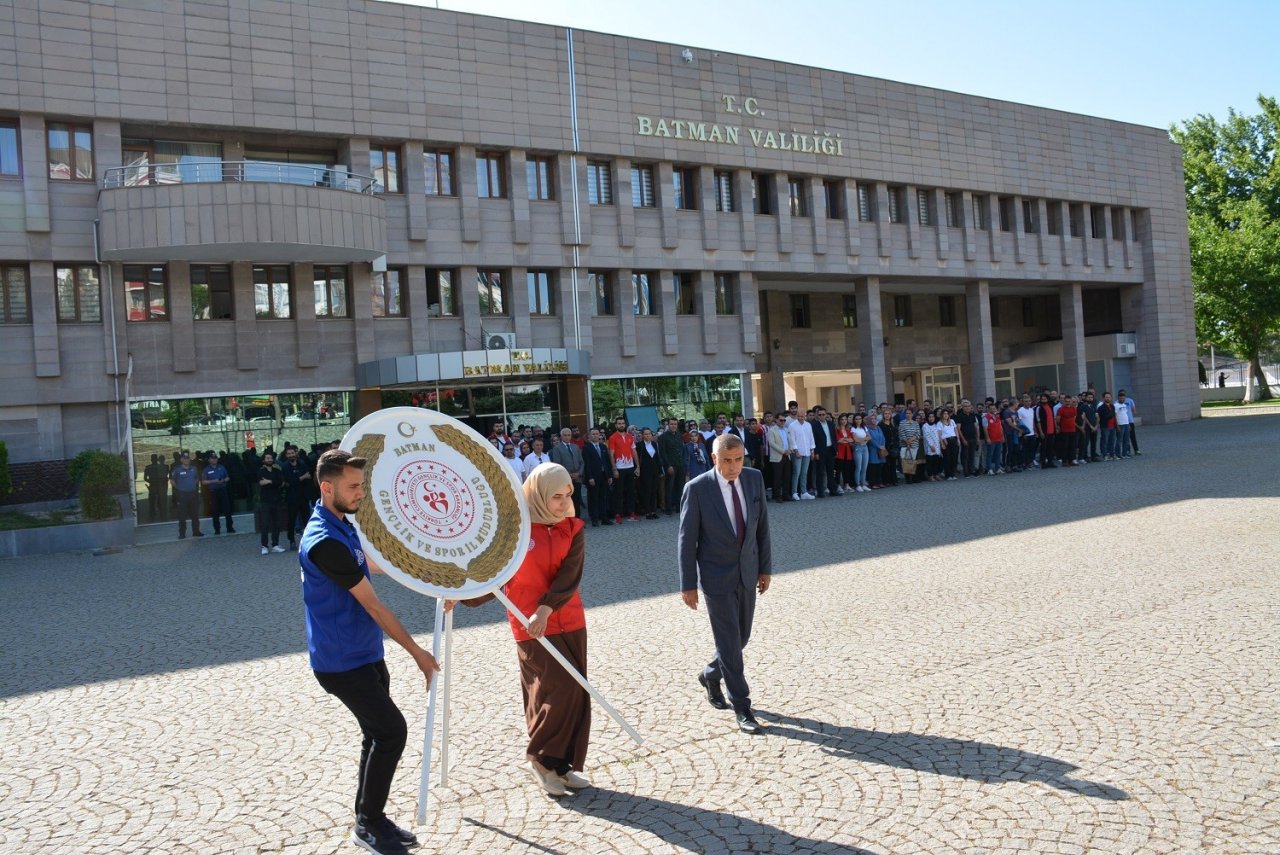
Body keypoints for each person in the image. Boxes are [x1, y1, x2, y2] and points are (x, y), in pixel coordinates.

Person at [300, 449, 439, 855]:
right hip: (341, 662)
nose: (361, 493)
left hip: (364, 653)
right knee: (392, 731)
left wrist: (432, 577)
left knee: (375, 734)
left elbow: (373, 564)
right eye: (353, 486)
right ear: (327, 488)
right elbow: (374, 605)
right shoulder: (324, 541)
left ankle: (369, 817)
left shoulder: (341, 522)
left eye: (362, 485)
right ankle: (369, 822)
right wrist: (418, 653)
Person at [449, 462, 591, 797]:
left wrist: (548, 607)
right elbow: (495, 574)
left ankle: (561, 764)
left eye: (567, 493)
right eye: (555, 496)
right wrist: (462, 594)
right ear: (538, 494)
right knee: (554, 689)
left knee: (576, 691)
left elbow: (569, 575)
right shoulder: (515, 530)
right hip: (529, 622)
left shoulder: (573, 527)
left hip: (567, 617)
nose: (563, 502)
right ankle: (540, 759)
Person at [679, 434, 772, 735]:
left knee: (741, 638)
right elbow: (686, 541)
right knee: (730, 643)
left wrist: (765, 569)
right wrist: (688, 584)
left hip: (748, 572)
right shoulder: (697, 489)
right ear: (714, 457)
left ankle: (709, 674)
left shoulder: (754, 479)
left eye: (739, 460)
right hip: (716, 578)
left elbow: (762, 527)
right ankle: (742, 706)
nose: (733, 467)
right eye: (727, 461)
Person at [607, 416, 638, 523]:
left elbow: (634, 451)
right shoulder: (612, 437)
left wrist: (637, 466)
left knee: (631, 492)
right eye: (619, 423)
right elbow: (611, 454)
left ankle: (632, 513)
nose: (621, 425)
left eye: (623, 423)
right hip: (619, 468)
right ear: (616, 425)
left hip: (630, 467)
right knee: (618, 493)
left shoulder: (630, 436)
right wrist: (614, 469)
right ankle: (617, 514)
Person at [549, 427, 584, 518]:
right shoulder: (557, 448)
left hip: (577, 478)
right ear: (561, 436)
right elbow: (557, 465)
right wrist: (567, 475)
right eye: (565, 435)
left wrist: (579, 473)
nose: (567, 437)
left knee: (577, 500)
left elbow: (581, 462)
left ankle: (578, 521)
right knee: (567, 501)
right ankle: (569, 521)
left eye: (569, 435)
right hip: (565, 480)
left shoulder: (575, 447)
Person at [257, 451, 287, 554]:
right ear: (264, 460)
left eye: (270, 458)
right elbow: (261, 482)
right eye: (267, 458)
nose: (269, 460)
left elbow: (281, 483)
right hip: (266, 501)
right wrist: (274, 482)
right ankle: (264, 546)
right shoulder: (261, 471)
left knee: (277, 523)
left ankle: (275, 545)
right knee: (265, 524)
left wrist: (269, 481)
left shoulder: (277, 470)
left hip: (277, 500)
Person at [581, 428, 612, 527]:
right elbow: (587, 464)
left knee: (603, 497)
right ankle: (594, 519)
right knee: (593, 498)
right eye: (593, 434)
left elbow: (607, 462)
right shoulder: (587, 448)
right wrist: (590, 477)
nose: (595, 436)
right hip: (593, 477)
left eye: (597, 434)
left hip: (603, 476)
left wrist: (609, 475)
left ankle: (604, 518)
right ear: (589, 436)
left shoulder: (603, 447)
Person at [658, 418, 686, 517]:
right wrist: (668, 465)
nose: (673, 426)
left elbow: (681, 450)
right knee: (669, 487)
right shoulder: (663, 437)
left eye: (675, 424)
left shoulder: (679, 435)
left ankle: (679, 506)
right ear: (668, 425)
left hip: (680, 464)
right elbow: (663, 453)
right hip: (670, 465)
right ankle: (668, 508)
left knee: (680, 486)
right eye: (671, 424)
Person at [201, 452, 235, 534]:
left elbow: (227, 477)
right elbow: (203, 482)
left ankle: (230, 528)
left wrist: (223, 480)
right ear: (209, 460)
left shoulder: (221, 467)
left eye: (215, 458)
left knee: (227, 509)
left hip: (223, 490)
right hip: (213, 492)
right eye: (212, 458)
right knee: (215, 511)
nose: (215, 459)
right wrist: (214, 481)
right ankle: (217, 529)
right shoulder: (206, 470)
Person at [635, 426, 662, 519]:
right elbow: (637, 458)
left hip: (655, 470)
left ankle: (653, 511)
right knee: (647, 491)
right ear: (642, 435)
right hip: (645, 471)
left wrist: (660, 470)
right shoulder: (639, 445)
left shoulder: (654, 444)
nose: (648, 436)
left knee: (654, 491)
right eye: (645, 434)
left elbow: (657, 458)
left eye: (649, 434)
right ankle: (647, 512)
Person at [144, 453, 169, 522]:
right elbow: (165, 477)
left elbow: (145, 478)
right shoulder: (162, 467)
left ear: (151, 459)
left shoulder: (148, 467)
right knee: (160, 502)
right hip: (159, 486)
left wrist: (151, 482)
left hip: (153, 486)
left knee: (152, 502)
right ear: (157, 459)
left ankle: (152, 515)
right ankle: (162, 515)